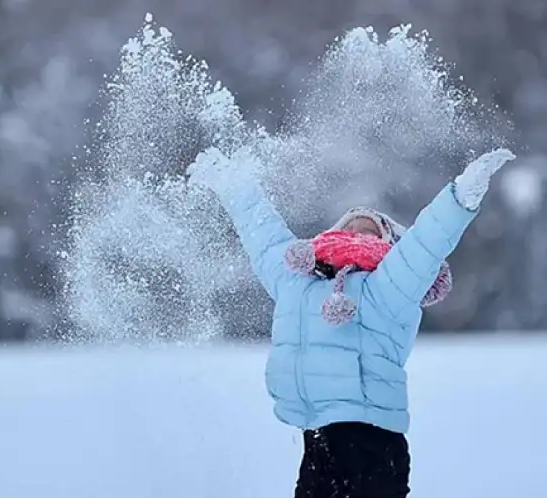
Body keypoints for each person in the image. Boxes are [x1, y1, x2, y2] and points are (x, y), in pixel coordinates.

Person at [187, 145, 515, 498]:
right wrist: (234, 186)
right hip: (317, 439)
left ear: (390, 246)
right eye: (350, 227)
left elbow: (426, 243)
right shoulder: (298, 282)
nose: (359, 233)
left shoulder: (390, 286)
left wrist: (461, 196)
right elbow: (265, 239)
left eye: (372, 231)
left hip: (372, 440)